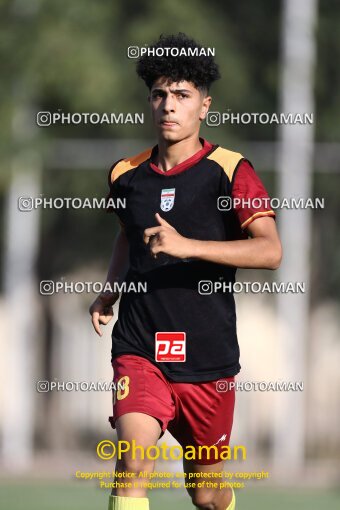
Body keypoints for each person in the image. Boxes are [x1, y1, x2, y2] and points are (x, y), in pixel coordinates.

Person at [89, 32, 282, 510]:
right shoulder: (124, 175)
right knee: (132, 457)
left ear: (204, 106)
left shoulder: (231, 170)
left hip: (207, 359)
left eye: (181, 95)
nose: (168, 106)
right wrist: (108, 292)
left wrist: (186, 246)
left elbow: (270, 251)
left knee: (206, 493)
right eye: (159, 95)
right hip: (140, 347)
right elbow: (126, 236)